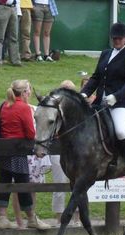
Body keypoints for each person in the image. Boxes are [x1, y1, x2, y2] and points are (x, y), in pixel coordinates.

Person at [80, 22, 125, 179]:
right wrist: (83, 94)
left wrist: (116, 96)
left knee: (120, 130)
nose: (116, 41)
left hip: (121, 102)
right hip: (101, 100)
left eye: (119, 38)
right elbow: (96, 77)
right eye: (114, 38)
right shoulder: (105, 53)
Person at [0, 79, 50, 230]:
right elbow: (31, 133)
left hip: (3, 150)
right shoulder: (23, 107)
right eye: (29, 90)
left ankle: (2, 218)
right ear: (24, 92)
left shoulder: (4, 105)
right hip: (18, 152)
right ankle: (32, 218)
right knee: (23, 185)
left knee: (4, 182)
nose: (30, 93)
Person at [50, 79, 80, 226]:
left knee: (79, 184)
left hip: (77, 151)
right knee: (59, 183)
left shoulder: (79, 110)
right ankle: (59, 217)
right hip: (59, 149)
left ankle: (77, 217)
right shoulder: (55, 109)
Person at [0, 0, 22, 66]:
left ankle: (15, 61)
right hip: (2, 7)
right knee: (0, 36)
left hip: (13, 8)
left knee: (14, 37)